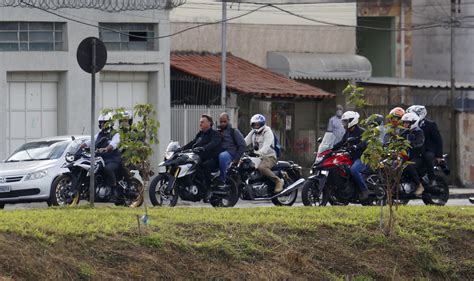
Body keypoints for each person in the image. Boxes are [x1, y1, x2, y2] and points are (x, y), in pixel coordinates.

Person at [81, 112, 122, 200]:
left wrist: (107, 148)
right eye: (101, 122)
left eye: (105, 122)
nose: (103, 124)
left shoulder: (115, 133)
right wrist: (83, 145)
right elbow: (92, 140)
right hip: (101, 159)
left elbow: (114, 143)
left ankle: (114, 189)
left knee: (107, 168)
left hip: (113, 159)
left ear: (110, 123)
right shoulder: (100, 134)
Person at [181, 114, 223, 199]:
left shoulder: (215, 134)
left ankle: (208, 189)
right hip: (201, 158)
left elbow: (213, 143)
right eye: (200, 122)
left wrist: (204, 147)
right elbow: (192, 143)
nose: (200, 124)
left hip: (213, 159)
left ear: (209, 123)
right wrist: (181, 149)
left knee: (205, 165)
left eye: (202, 122)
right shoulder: (200, 134)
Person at [332, 111, 369, 200]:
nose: (344, 124)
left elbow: (365, 142)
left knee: (354, 170)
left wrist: (356, 146)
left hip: (361, 158)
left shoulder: (362, 132)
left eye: (346, 121)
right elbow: (342, 143)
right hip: (351, 158)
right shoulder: (348, 133)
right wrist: (330, 149)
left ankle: (364, 190)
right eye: (343, 122)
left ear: (352, 121)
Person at [244, 114, 284, 193]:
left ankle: (278, 181)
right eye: (254, 124)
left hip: (269, 157)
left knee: (262, 167)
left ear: (262, 124)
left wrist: (259, 153)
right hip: (258, 157)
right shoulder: (253, 133)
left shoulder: (267, 131)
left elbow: (266, 146)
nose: (256, 126)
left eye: (258, 124)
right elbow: (244, 142)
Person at [406, 105, 443, 184]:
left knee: (428, 156)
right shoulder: (409, 125)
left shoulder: (430, 124)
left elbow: (438, 140)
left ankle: (432, 179)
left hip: (428, 150)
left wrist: (439, 156)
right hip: (415, 152)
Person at [217, 113, 246, 188]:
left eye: (224, 121)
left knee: (222, 156)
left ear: (228, 121)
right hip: (219, 152)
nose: (222, 123)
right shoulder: (217, 132)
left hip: (230, 153)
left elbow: (242, 145)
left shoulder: (234, 131)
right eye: (221, 122)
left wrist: (236, 159)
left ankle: (222, 180)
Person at [400, 112, 425, 196]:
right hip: (406, 157)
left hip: (418, 157)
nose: (405, 124)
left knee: (408, 165)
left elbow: (420, 142)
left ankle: (419, 185)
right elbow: (398, 140)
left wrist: (412, 144)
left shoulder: (418, 132)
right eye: (404, 122)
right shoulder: (404, 132)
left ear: (413, 122)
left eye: (407, 122)